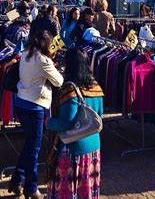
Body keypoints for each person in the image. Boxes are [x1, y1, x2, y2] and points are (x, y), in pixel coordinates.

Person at [8, 30, 64, 198]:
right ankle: (30, 187)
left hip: (21, 101)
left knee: (30, 145)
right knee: (34, 148)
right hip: (35, 106)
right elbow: (59, 81)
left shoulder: (26, 54)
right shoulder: (43, 61)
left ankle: (17, 179)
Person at [46, 48, 104, 199]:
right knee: (86, 189)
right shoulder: (95, 86)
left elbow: (66, 123)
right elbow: (99, 114)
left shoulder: (70, 89)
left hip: (73, 149)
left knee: (69, 191)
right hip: (93, 147)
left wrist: (49, 122)